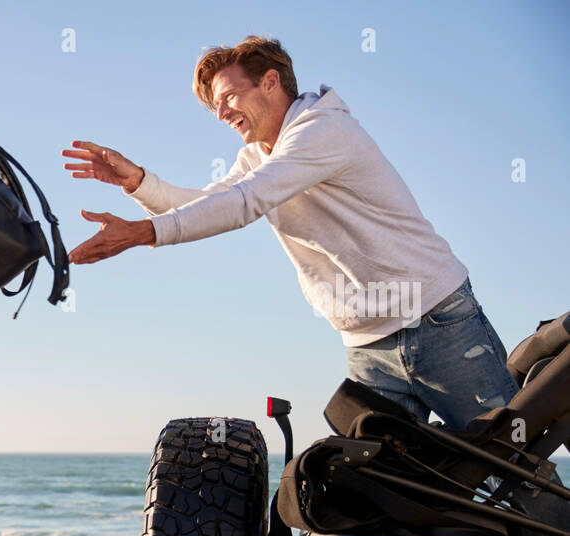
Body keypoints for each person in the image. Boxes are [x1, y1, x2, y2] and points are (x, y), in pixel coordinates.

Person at [62, 35, 521, 434]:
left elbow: (246, 202)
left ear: (270, 81)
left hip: (437, 320)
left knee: (513, 468)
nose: (220, 113)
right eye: (213, 106)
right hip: (366, 346)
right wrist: (137, 181)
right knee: (378, 498)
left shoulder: (323, 129)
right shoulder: (261, 156)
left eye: (227, 97)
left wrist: (142, 234)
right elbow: (209, 203)